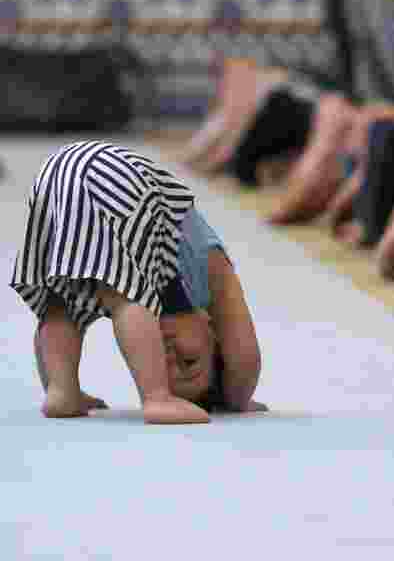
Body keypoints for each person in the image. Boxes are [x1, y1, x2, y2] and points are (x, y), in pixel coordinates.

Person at [12, 141, 265, 424]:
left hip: (56, 174)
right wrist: (238, 397)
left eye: (165, 370)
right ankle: (156, 397)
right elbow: (243, 349)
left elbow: (56, 312)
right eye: (190, 361)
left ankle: (61, 390)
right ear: (212, 331)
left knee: (61, 302)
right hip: (115, 174)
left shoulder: (114, 271)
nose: (170, 358)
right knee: (128, 296)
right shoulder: (207, 274)